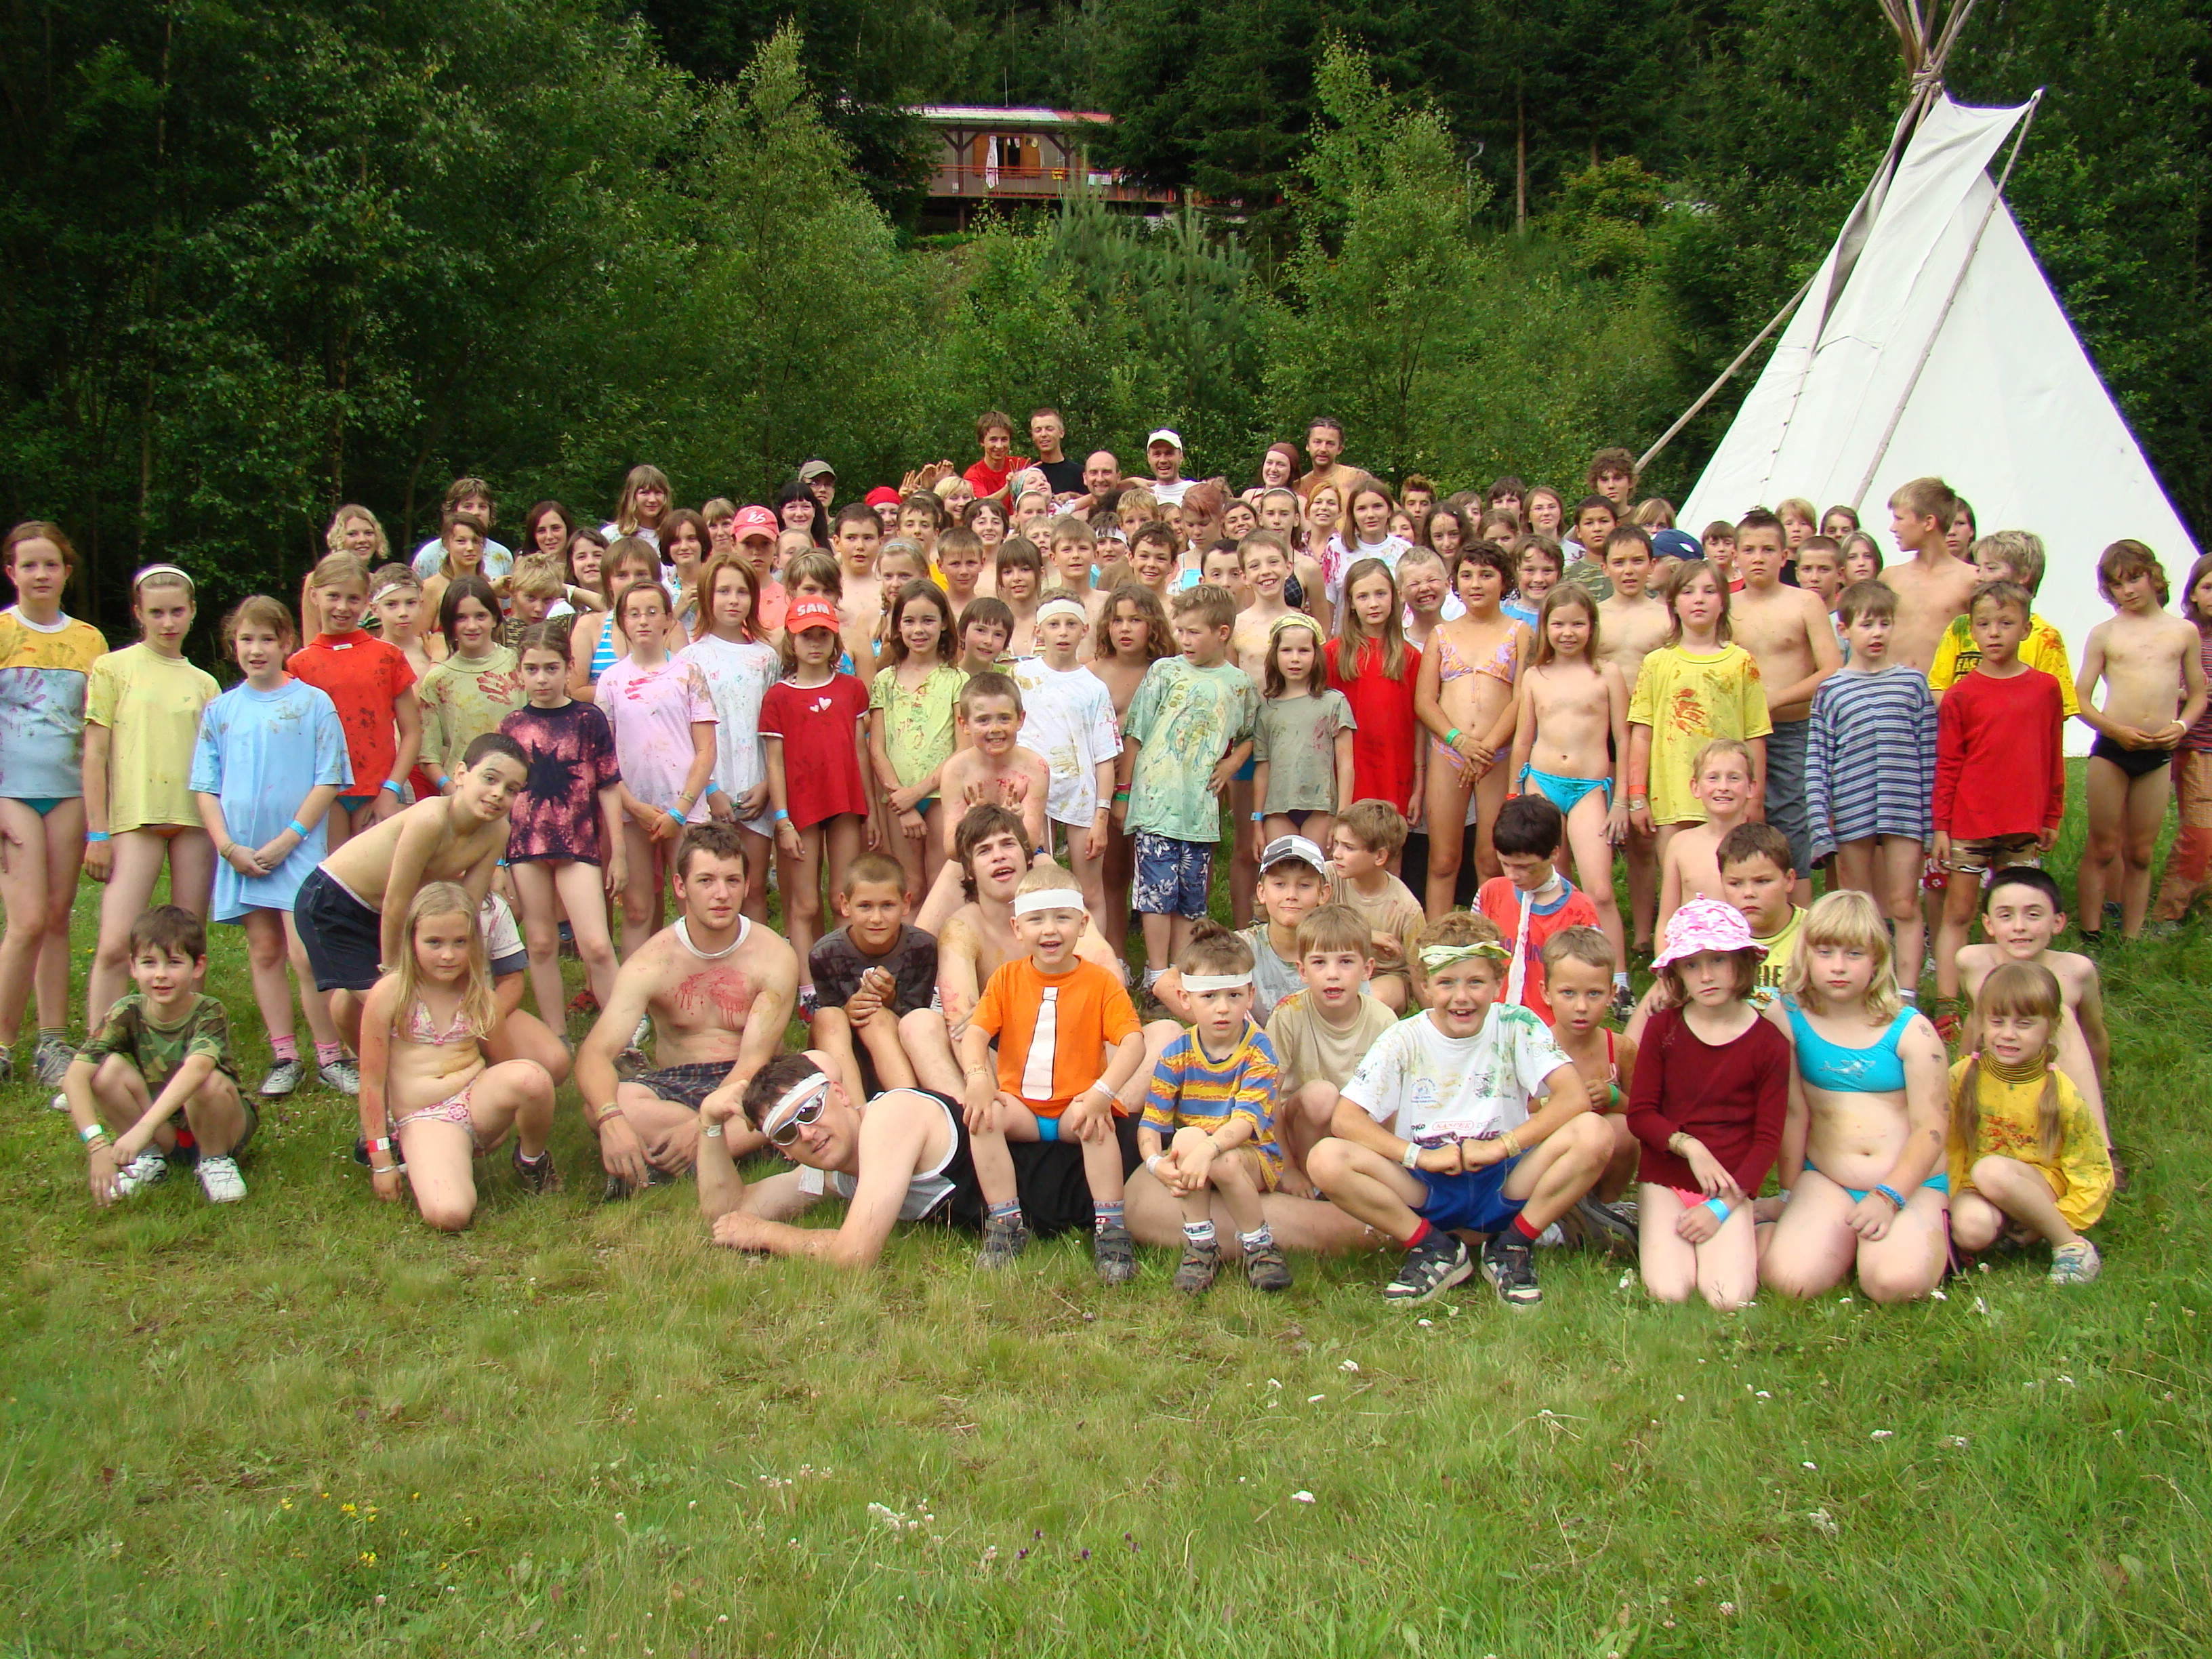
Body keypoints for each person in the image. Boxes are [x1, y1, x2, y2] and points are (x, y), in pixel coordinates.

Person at [1307, 910, 1612, 1308]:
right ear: (1425, 986)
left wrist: (1501, 1147)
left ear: (1498, 983)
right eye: (1447, 983)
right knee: (1326, 1158)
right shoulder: (1403, 1038)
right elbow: (1346, 1119)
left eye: (1476, 982)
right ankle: (1433, 1247)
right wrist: (1420, 1157)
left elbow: (1573, 1097)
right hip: (1427, 1185)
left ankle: (1513, 1245)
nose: (1462, 997)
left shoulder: (1517, 1024)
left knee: (1594, 1132)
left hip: (1507, 1179)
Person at [576, 823, 799, 1196]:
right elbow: (595, 1053)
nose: (721, 894)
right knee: (607, 1103)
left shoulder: (774, 955)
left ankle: (679, 1155)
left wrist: (701, 1125)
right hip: (679, 1084)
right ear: (681, 887)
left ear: (747, 886)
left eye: (732, 881)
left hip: (752, 1084)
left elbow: (753, 1062)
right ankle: (751, 1142)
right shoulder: (652, 961)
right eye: (706, 881)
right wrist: (610, 1118)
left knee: (820, 1067)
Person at [190, 596, 351, 1099]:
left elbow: (328, 778)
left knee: (305, 955)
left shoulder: (314, 703)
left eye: (267, 639)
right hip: (241, 854)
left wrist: (289, 840)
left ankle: (332, 1055)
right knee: (263, 950)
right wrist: (227, 847)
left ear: (286, 643)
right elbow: (205, 786)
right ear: (232, 645)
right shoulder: (221, 710)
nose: (256, 649)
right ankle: (285, 1055)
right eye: (246, 639)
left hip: (296, 850)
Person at [956, 861, 1147, 1279]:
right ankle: (1006, 1222)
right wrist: (977, 1077)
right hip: (1022, 1108)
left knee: (1096, 1126)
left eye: (1062, 918)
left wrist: (1103, 1093)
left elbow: (1134, 1042)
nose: (1050, 930)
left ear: (1083, 924)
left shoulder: (1100, 982)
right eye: (1036, 919)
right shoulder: (1006, 979)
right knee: (983, 1118)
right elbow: (975, 1034)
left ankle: (1111, 1227)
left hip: (1075, 1106)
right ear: (1017, 927)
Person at [1760, 891, 1950, 1305]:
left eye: (1854, 954)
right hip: (1829, 1179)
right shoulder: (1787, 1017)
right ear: (1805, 955)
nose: (1838, 967)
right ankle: (1824, 1236)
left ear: (1878, 960)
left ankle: (1927, 1236)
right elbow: (1793, 1113)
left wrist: (1889, 1197)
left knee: (1893, 1284)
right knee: (1790, 1282)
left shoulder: (1911, 1030)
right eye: (1825, 952)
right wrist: (1789, 1195)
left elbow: (1932, 1129)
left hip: (1908, 1184)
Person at [293, 732, 528, 1053]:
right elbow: (397, 902)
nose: (498, 793)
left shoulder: (498, 831)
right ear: (461, 773)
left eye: (511, 789)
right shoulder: (431, 818)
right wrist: (396, 976)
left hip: (382, 913)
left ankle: (385, 1066)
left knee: (380, 998)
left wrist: (467, 976)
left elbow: (468, 910)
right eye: (490, 779)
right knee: (392, 1004)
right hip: (333, 902)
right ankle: (380, 1072)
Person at [353, 882, 557, 1227]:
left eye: (459, 942)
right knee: (449, 1215)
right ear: (412, 940)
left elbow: (505, 1063)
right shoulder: (389, 994)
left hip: (475, 1098)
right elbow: (371, 1082)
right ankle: (433, 1159)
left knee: (532, 1077)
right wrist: (381, 1160)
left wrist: (502, 1117)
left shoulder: (481, 996)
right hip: (424, 1116)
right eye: (434, 942)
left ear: (474, 943)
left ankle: (532, 1159)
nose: (448, 955)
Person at [1624, 900, 1790, 1309]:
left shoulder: (1769, 1042)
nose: (1706, 975)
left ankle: (1756, 1224)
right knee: (1669, 1291)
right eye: (1692, 965)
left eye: (1718, 960)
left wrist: (1723, 1206)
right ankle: (1657, 1226)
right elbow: (1641, 1115)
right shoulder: (1663, 1029)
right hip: (1667, 1176)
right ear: (1677, 973)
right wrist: (1689, 1146)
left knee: (1727, 1297)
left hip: (1730, 1185)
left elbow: (1767, 1139)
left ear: (1742, 962)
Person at [82, 565, 220, 1029]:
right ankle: (100, 1047)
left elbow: (215, 761)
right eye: (156, 613)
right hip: (135, 819)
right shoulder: (112, 668)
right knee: (114, 944)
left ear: (192, 612)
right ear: (138, 614)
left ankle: (182, 1046)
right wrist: (98, 832)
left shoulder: (204, 682)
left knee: (187, 947)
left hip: (193, 821)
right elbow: (95, 753)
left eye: (177, 611)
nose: (168, 623)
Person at [0, 523, 107, 1088]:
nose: (40, 574)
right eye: (29, 565)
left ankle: (52, 1042)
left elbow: (97, 728)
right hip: (11, 793)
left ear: (67, 572)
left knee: (59, 918)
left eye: (50, 565)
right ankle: (2, 1043)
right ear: (11, 573)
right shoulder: (3, 631)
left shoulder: (90, 641)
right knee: (26, 922)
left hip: (69, 794)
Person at [1115, 584, 1259, 999]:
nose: (1185, 640)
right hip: (1156, 804)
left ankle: (1180, 973)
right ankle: (1156, 974)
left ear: (1223, 633)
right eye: (1181, 631)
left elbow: (1250, 735)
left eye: (1194, 632)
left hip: (1199, 810)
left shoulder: (1239, 685)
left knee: (1190, 897)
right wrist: (1124, 793)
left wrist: (1231, 764)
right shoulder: (1165, 672)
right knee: (1156, 893)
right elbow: (1136, 733)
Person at [1140, 923, 1294, 1294]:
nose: (1223, 1008)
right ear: (1185, 998)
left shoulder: (1259, 1050)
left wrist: (1207, 1150)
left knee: (1221, 1160)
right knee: (1186, 1139)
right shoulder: (1176, 1053)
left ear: (1250, 995)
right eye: (1209, 996)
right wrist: (1155, 1163)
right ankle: (1200, 1244)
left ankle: (1259, 1245)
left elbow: (1246, 1122)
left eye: (1234, 995)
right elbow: (1151, 1123)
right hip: (1197, 1152)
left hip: (1251, 1156)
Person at [64, 906, 253, 1206]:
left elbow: (197, 1068)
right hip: (163, 1128)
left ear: (198, 967)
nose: (161, 975)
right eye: (149, 963)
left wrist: (143, 1128)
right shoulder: (127, 1011)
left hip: (222, 1125)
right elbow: (75, 1076)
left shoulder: (209, 1011)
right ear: (133, 967)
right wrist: (97, 1145)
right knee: (104, 1071)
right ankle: (149, 1159)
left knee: (207, 1081)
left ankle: (216, 1161)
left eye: (174, 962)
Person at [1932, 581, 2066, 993]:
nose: (1994, 633)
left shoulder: (2046, 688)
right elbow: (1948, 763)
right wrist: (1941, 827)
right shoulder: (1960, 695)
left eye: (2006, 623)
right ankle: (1948, 1002)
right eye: (1985, 624)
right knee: (1959, 912)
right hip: (1969, 823)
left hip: (2022, 823)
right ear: (1971, 630)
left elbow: (2053, 754)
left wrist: (2052, 815)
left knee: (2016, 915)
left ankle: (2014, 995)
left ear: (2026, 629)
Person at [1805, 580, 1936, 998]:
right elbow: (1818, 761)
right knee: (1858, 906)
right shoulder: (1832, 689)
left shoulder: (1912, 684)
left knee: (1904, 904)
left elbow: (1930, 755)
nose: (1877, 633)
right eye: (1867, 624)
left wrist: (1933, 825)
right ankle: (1865, 991)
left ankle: (1907, 995)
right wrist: (1820, 823)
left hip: (1905, 810)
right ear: (1844, 630)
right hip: (1852, 810)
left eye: (1885, 623)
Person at [1945, 961, 2112, 1285]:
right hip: (1975, 1184)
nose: (2008, 1034)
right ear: (1981, 1022)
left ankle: (2070, 1244)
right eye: (1997, 1022)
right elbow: (1947, 1146)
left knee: (1992, 1171)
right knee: (1971, 1230)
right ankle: (2013, 1230)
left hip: (2037, 1184)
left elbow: (2091, 1166)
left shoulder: (2061, 1091)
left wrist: (2064, 1214)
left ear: (2051, 1026)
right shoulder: (1961, 1077)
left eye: (2024, 1024)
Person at [2076, 540, 2208, 939]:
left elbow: (2199, 694)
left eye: (2134, 579)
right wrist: (2114, 730)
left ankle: (2131, 936)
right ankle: (2091, 930)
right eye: (2117, 584)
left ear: (2154, 576)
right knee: (2103, 846)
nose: (2128, 590)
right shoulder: (2105, 634)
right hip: (2113, 750)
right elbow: (2080, 698)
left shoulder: (2182, 631)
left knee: (2141, 852)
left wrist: (2180, 727)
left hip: (2159, 750)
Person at [497, 623, 625, 1032]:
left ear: (569, 668)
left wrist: (618, 854)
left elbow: (608, 785)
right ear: (519, 672)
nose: (542, 679)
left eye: (551, 668)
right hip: (526, 847)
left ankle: (623, 1034)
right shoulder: (512, 725)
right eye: (532, 669)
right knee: (540, 943)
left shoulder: (588, 718)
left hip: (578, 846)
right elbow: (502, 799)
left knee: (596, 945)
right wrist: (499, 862)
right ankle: (557, 1034)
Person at [1506, 585, 1629, 996]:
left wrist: (1623, 800)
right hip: (1541, 782)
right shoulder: (1536, 676)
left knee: (1600, 890)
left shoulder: (1607, 674)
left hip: (1588, 788)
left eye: (1578, 624)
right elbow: (1523, 739)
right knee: (1553, 884)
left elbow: (1623, 739)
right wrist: (1514, 795)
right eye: (1558, 624)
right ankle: (1560, 970)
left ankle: (1619, 979)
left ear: (1592, 626)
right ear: (1545, 627)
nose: (1568, 633)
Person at [1626, 558, 1771, 885]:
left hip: (1729, 796)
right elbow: (1642, 734)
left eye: (1710, 591)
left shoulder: (1741, 662)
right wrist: (1637, 796)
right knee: (1679, 882)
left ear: (1724, 602)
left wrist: (1755, 798)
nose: (1699, 600)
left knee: (1732, 880)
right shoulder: (1656, 663)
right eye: (1689, 592)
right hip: (1672, 798)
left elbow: (1756, 734)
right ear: (1673, 604)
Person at [761, 596, 872, 1007]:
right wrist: (782, 818)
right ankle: (808, 989)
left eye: (823, 634)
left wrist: (871, 812)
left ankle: (843, 981)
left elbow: (860, 752)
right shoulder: (778, 697)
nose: (815, 642)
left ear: (835, 639)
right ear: (791, 640)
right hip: (801, 806)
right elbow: (775, 762)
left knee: (843, 897)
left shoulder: (851, 689)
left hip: (845, 802)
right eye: (806, 635)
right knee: (804, 902)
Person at [1955, 866, 2112, 1155]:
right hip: (1998, 1068)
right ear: (1989, 924)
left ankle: (2100, 1147)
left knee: (2060, 1015)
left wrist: (2098, 1086)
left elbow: (2094, 1034)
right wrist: (1959, 1075)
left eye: (2033, 915)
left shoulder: (2076, 970)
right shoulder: (1972, 962)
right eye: (2006, 916)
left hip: (2050, 1072)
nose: (2020, 927)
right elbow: (1975, 1019)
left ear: (2058, 922)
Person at [1728, 508, 1841, 901]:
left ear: (1784, 555)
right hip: (1739, 734)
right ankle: (1743, 912)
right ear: (1735, 556)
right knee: (1738, 820)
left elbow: (1832, 669)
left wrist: (1776, 699)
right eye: (1749, 550)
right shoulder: (1726, 606)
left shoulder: (1805, 603)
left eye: (1768, 550)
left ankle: (1800, 920)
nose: (1758, 558)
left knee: (1793, 824)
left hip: (1793, 730)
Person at [1416, 541, 1530, 914]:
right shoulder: (1441, 635)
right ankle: (1434, 938)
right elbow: (1425, 702)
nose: (1476, 584)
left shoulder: (1520, 632)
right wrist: (1460, 741)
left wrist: (1487, 747)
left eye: (1486, 575)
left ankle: (1496, 936)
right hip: (1450, 752)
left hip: (1498, 754)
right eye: (1466, 575)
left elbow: (1522, 697)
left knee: (1490, 858)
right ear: (1456, 584)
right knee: (1443, 858)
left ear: (1505, 581)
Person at [289, 550, 420, 852]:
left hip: (378, 790)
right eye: (333, 596)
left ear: (366, 602)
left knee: (375, 873)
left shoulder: (388, 656)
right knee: (332, 873)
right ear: (315, 596)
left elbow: (412, 732)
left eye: (353, 599)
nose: (342, 607)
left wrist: (391, 789)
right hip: (325, 795)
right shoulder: (299, 665)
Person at [1012, 596, 1121, 941]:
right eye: (1054, 624)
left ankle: (1097, 960)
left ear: (1084, 630)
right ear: (1038, 630)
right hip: (1033, 795)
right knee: (1038, 887)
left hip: (1081, 796)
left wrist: (1101, 816)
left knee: (1089, 892)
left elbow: (1105, 757)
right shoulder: (1021, 676)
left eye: (1071, 624)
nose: (1062, 632)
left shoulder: (1094, 688)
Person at [678, 553, 781, 917]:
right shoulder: (690, 658)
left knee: (751, 890)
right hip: (710, 788)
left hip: (755, 789)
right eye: (723, 591)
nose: (733, 600)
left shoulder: (766, 658)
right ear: (707, 596)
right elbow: (685, 732)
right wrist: (709, 789)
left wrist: (767, 785)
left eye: (742, 591)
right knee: (706, 892)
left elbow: (774, 729)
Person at [808, 852, 961, 1096]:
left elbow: (917, 1020)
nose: (876, 918)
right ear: (845, 905)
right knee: (828, 1016)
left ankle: (907, 1100)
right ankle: (855, 1110)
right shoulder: (824, 954)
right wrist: (848, 1011)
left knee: (876, 1015)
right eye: (865, 906)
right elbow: (828, 1025)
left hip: (900, 1050)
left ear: (906, 903)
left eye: (888, 906)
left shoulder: (923, 948)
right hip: (847, 1058)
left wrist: (890, 1001)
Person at [914, 671, 1052, 933]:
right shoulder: (956, 771)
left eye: (1004, 718)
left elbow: (1031, 844)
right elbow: (952, 849)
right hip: (968, 861)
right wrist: (971, 825)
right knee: (924, 936)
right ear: (964, 724)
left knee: (1070, 916)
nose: (995, 729)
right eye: (983, 720)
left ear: (1020, 719)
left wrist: (1016, 823)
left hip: (1028, 861)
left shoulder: (1035, 767)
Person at [867, 579, 965, 907]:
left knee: (942, 885)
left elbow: (963, 749)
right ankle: (910, 942)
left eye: (928, 620)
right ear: (897, 626)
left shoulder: (957, 680)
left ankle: (941, 942)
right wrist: (902, 799)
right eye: (909, 621)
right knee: (910, 887)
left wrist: (919, 792)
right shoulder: (885, 681)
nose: (918, 630)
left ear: (944, 624)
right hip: (897, 798)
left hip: (941, 795)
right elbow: (877, 747)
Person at [1475, 794, 1601, 1027]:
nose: (1512, 875)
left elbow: (1590, 978)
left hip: (1551, 1030)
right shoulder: (1490, 895)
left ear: (1554, 854)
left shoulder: (1579, 912)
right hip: (1492, 1023)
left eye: (1525, 867)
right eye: (1505, 863)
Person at [1540, 926, 1641, 1214]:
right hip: (1546, 1158)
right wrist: (1560, 1103)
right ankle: (1553, 1210)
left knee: (1624, 1129)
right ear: (1546, 993)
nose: (1581, 1006)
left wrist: (1614, 1098)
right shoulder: (1531, 1047)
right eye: (1568, 993)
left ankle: (1607, 1208)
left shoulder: (1621, 1049)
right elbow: (1513, 1114)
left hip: (1603, 1155)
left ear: (1612, 994)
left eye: (1594, 994)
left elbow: (1644, 1115)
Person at [1326, 558, 1425, 827]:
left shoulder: (1410, 657)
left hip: (1394, 773)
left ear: (1395, 596)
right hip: (1348, 774)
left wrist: (1419, 786)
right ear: (1351, 603)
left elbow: (1418, 725)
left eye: (1381, 594)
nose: (1373, 603)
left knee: (1388, 845)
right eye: (1363, 596)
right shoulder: (1333, 654)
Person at [1252, 612, 1355, 848]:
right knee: (1281, 868)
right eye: (1287, 650)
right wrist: (1257, 821)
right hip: (1278, 810)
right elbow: (1263, 768)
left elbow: (1346, 765)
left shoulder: (1333, 702)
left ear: (1316, 655)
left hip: (1321, 808)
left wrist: (1342, 817)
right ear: (1275, 655)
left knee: (1317, 868)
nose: (1295, 659)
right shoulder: (1267, 709)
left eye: (1304, 651)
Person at [417, 575, 524, 796]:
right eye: (461, 618)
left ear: (495, 618)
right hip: (463, 795)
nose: (472, 626)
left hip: (517, 792)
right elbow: (428, 757)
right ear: (449, 623)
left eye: (480, 616)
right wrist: (451, 789)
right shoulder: (438, 681)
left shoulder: (519, 666)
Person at [2152, 552, 2212, 923]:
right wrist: (2194, 692)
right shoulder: (2182, 635)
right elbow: (2165, 685)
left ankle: (2201, 908)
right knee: (2199, 834)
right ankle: (2169, 914)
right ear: (2192, 592)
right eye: (2208, 587)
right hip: (2197, 746)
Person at [1326, 802, 1425, 1013]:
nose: (1336, 854)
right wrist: (1366, 935)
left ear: (1380, 857)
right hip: (1331, 966)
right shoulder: (1328, 877)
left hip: (1385, 976)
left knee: (1372, 1000)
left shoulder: (1406, 908)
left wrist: (1435, 1023)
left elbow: (1418, 970)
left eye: (1349, 848)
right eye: (1337, 843)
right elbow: (1307, 926)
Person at [1655, 739, 1757, 938]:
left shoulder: (1762, 845)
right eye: (1713, 778)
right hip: (1693, 952)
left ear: (1751, 788)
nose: (1723, 787)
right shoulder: (1680, 845)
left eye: (1734, 778)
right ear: (1695, 787)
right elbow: (1666, 921)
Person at [1879, 476, 1980, 675]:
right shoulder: (1889, 578)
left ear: (1928, 522)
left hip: (1943, 689)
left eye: (1899, 519)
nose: (1893, 528)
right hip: (1891, 689)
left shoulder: (1971, 579)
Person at [411, 478, 515, 581]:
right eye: (468, 506)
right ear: (453, 511)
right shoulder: (430, 554)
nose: (476, 512)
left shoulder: (502, 555)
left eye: (482, 507)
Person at [962, 410, 1030, 504]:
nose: (999, 446)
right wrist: (1008, 487)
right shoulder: (974, 475)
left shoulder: (1021, 465)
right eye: (993, 440)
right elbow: (982, 505)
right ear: (981, 441)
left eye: (1004, 440)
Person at [993, 537, 1044, 657]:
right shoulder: (994, 623)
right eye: (1008, 572)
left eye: (1025, 570)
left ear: (1041, 574)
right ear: (1000, 579)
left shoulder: (1054, 621)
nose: (1016, 578)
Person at [1294, 417, 1360, 509]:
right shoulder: (1297, 487)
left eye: (1330, 444)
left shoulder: (1357, 479)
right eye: (1318, 442)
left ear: (1340, 449)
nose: (1323, 449)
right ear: (1308, 446)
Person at [956, 596, 1013, 675]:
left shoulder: (1010, 675)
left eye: (998, 635)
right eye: (981, 630)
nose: (989, 641)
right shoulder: (944, 677)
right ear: (963, 634)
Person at [1143, 428, 1195, 507]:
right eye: (1157, 454)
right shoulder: (1143, 499)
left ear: (1181, 457)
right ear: (1149, 459)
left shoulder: (1199, 491)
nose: (1163, 460)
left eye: (1169, 453)